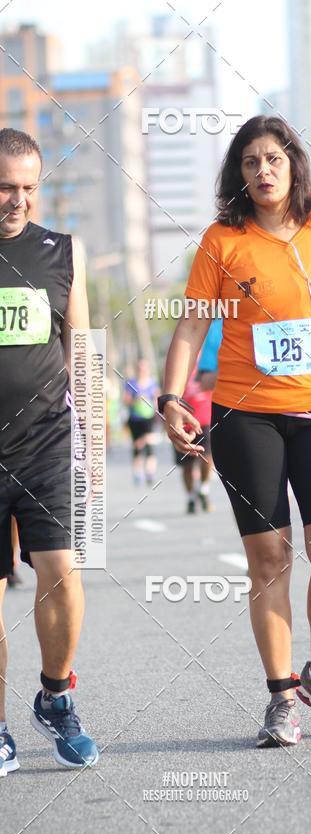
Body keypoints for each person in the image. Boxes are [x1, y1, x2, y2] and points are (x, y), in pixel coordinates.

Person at [161, 115, 311, 748]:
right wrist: (169, 396)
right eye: (249, 162)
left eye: (272, 159)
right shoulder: (222, 240)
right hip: (244, 417)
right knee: (268, 559)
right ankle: (280, 698)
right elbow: (190, 327)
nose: (262, 171)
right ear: (237, 174)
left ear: (293, 164)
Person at [0, 127, 98, 772]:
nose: (19, 200)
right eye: (5, 187)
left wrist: (89, 437)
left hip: (46, 443)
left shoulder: (62, 251)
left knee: (62, 572)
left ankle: (56, 695)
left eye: (29, 187)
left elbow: (81, 347)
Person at [173, 319, 222, 513]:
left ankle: (204, 489)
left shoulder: (207, 359)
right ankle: (191, 496)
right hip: (182, 418)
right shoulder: (178, 360)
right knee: (186, 464)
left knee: (207, 456)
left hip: (205, 417)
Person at [123, 358, 160, 485]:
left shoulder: (152, 383)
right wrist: (136, 400)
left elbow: (157, 399)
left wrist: (154, 406)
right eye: (139, 367)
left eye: (144, 367)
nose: (142, 370)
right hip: (135, 419)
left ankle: (150, 473)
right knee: (137, 447)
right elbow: (126, 401)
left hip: (149, 418)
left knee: (149, 445)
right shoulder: (131, 383)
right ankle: (138, 473)